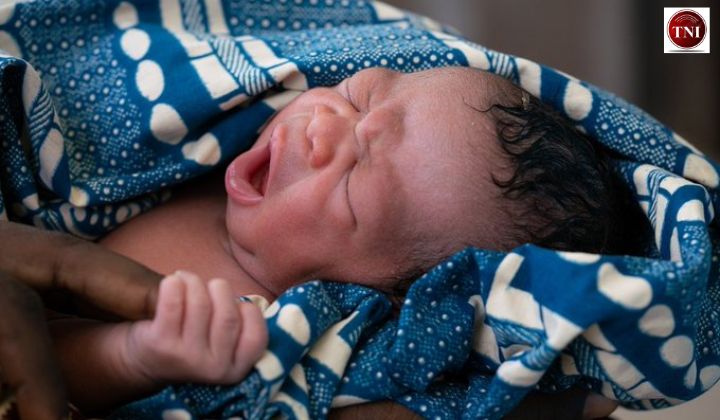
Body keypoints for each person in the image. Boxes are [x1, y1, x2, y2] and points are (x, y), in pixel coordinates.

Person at [49, 66, 639, 416]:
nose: (322, 127)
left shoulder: (247, 323)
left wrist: (135, 355)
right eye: (361, 95)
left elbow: (44, 358)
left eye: (354, 182)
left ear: (377, 294)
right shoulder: (207, 156)